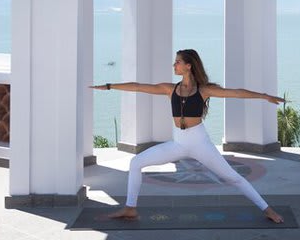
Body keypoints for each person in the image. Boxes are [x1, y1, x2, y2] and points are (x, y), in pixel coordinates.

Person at [90, 48, 285, 223]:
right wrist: (109, 86)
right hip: (178, 143)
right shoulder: (170, 89)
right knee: (136, 163)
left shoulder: (204, 90)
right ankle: (130, 208)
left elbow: (236, 93)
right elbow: (139, 86)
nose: (174, 65)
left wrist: (264, 96)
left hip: (200, 143)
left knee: (233, 178)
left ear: (188, 66)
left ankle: (267, 209)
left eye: (177, 62)